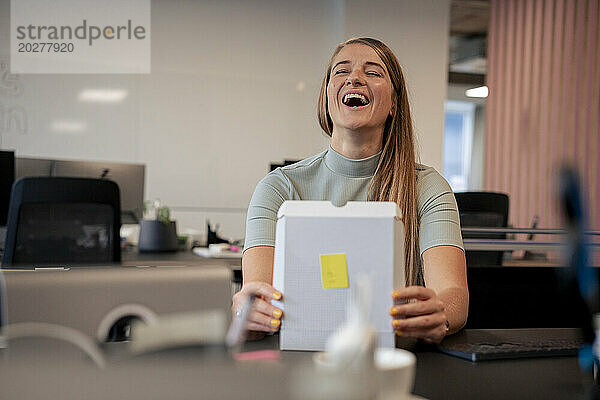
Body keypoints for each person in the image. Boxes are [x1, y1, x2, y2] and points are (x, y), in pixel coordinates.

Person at [232, 37, 468, 344]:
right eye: (341, 71)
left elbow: (453, 294)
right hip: (298, 361)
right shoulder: (278, 188)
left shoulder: (428, 187)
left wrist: (442, 316)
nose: (354, 78)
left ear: (394, 102)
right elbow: (257, 294)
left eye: (373, 72)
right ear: (327, 96)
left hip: (396, 361)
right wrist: (247, 310)